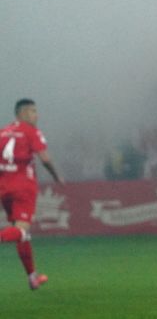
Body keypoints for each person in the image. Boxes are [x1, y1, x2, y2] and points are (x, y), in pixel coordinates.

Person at [0, 99, 63, 290]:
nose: (37, 115)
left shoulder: (3, 132)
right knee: (21, 229)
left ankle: (32, 277)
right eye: (34, 111)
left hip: (4, 186)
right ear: (24, 113)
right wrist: (56, 176)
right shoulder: (31, 131)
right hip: (23, 187)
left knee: (23, 235)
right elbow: (45, 158)